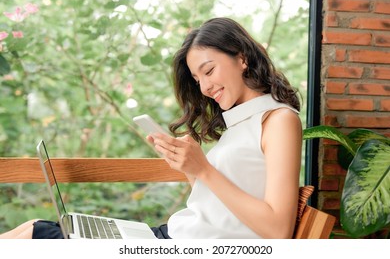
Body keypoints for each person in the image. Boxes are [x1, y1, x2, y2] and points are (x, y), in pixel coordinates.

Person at [0, 17, 302, 239]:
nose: (206, 87)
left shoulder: (279, 121)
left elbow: (278, 229)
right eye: (198, 80)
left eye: (208, 70)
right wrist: (188, 167)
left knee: (35, 234)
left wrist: (204, 170)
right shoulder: (241, 120)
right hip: (177, 235)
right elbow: (219, 207)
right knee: (32, 228)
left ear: (242, 58)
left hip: (185, 244)